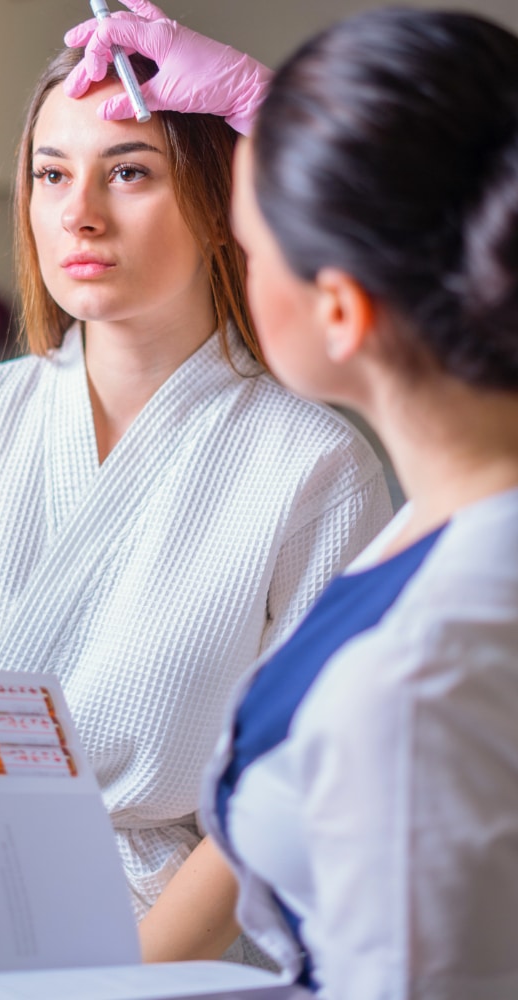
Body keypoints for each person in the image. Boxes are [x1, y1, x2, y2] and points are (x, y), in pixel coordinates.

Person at [0, 41, 392, 966]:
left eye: (129, 172)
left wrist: (122, 979)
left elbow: (289, 783)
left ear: (223, 201)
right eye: (51, 174)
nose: (79, 214)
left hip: (171, 951)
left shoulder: (315, 468)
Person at [67, 2, 518, 996]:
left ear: (341, 309)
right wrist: (265, 107)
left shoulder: (419, 679)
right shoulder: (460, 522)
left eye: (250, 245)